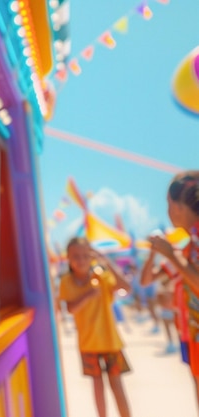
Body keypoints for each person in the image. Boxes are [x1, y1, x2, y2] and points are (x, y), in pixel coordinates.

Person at [58, 237, 132, 417]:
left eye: (85, 255)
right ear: (68, 257)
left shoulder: (102, 275)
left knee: (117, 385)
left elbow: (126, 287)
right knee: (97, 386)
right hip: (88, 343)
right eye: (76, 256)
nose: (81, 260)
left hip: (110, 341)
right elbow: (70, 308)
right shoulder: (66, 281)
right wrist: (89, 295)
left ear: (91, 256)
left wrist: (106, 261)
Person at [148, 170, 199, 410]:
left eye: (169, 204)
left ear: (180, 206)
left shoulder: (193, 241)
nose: (168, 211)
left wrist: (170, 254)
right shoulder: (191, 242)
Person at [140, 251, 181, 354]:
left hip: (181, 309)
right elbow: (145, 281)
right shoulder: (173, 262)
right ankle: (172, 343)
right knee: (169, 324)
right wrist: (152, 254)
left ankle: (173, 343)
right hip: (171, 305)